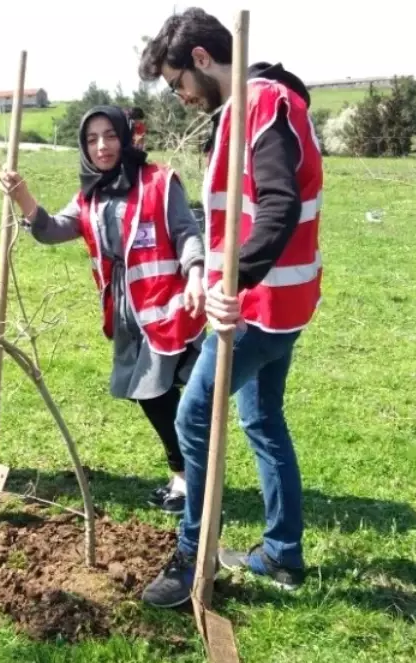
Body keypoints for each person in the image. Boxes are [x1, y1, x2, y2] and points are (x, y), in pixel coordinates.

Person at [132, 7, 325, 608]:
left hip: (259, 309)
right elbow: (235, 214)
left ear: (199, 60)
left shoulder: (262, 105)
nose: (181, 97)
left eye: (177, 84)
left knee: (193, 418)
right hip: (276, 301)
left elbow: (278, 206)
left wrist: (234, 279)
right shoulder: (242, 110)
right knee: (263, 420)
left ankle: (192, 556)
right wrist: (210, 273)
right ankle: (282, 554)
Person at [2, 105, 207, 513]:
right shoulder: (90, 195)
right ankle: (191, 471)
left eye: (110, 135)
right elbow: (55, 229)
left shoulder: (160, 183)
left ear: (126, 136)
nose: (102, 146)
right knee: (157, 396)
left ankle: (187, 478)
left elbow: (186, 231)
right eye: (92, 138)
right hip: (128, 316)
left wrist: (197, 273)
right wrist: (24, 199)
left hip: (169, 308)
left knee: (156, 394)